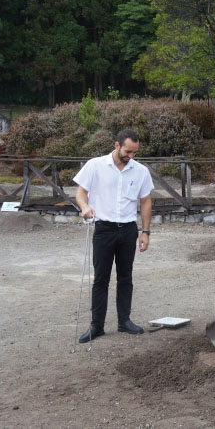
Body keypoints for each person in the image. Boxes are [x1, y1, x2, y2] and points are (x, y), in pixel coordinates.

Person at [73, 128, 154, 343]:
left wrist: (145, 232)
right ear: (117, 145)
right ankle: (96, 325)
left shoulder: (140, 171)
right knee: (101, 278)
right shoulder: (95, 165)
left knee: (126, 277)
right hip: (104, 229)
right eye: (128, 151)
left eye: (135, 152)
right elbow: (80, 193)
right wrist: (84, 206)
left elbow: (145, 201)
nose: (131, 156)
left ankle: (124, 321)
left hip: (128, 229)